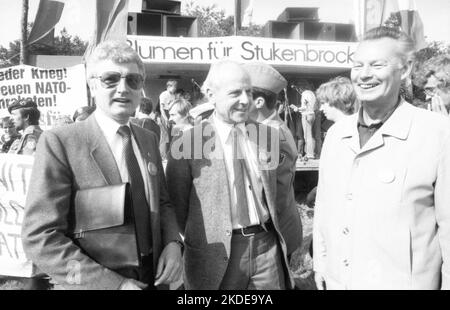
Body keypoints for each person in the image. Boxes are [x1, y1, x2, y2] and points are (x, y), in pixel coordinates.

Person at [22, 41, 183, 290]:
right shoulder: (61, 142)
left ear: (141, 87)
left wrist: (173, 243)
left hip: (155, 279)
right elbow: (40, 237)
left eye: (133, 80)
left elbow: (162, 202)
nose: (123, 88)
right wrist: (112, 284)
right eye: (111, 79)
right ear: (93, 84)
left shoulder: (148, 139)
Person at [313, 26, 450, 290]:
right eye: (357, 65)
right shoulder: (336, 135)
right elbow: (324, 208)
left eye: (377, 65)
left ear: (406, 69)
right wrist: (322, 261)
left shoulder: (438, 133)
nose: (364, 75)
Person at [166, 60, 294, 290]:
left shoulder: (268, 136)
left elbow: (280, 195)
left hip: (266, 246)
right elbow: (177, 206)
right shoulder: (188, 143)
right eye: (235, 93)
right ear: (210, 94)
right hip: (217, 253)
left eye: (249, 91)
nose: (246, 100)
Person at [244, 61, 303, 257]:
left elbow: (274, 196)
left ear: (259, 102)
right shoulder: (264, 132)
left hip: (275, 236)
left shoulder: (273, 136)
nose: (239, 100)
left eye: (243, 94)